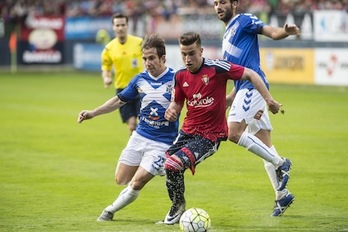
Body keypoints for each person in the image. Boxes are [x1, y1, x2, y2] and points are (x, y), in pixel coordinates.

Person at [161, 32, 283, 225]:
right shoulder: (180, 76)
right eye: (184, 54)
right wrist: (171, 111)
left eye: (192, 53)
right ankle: (178, 203)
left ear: (201, 51)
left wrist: (268, 100)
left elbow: (251, 74)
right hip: (187, 133)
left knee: (173, 165)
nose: (187, 59)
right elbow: (177, 103)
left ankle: (178, 206)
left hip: (210, 135)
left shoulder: (217, 68)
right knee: (167, 164)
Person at [78, 34, 179, 221]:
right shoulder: (139, 80)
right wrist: (93, 112)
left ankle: (109, 211)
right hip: (139, 137)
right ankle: (156, 167)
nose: (147, 63)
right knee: (121, 179)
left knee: (137, 181)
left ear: (163, 58)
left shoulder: (176, 78)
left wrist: (175, 110)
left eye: (152, 58)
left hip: (162, 143)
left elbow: (188, 102)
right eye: (145, 59)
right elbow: (118, 100)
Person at [213, 0, 301, 216]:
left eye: (222, 2)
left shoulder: (243, 20)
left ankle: (281, 163)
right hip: (245, 88)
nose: (218, 6)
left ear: (234, 4)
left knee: (233, 133)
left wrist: (285, 32)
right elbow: (238, 78)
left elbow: (271, 32)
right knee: (263, 144)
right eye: (215, 3)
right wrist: (228, 99)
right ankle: (282, 195)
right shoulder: (227, 34)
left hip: (254, 87)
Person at [101, 13, 144, 135]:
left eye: (123, 25)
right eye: (117, 25)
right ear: (113, 27)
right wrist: (106, 78)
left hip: (140, 88)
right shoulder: (109, 48)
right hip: (122, 89)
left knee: (143, 124)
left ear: (127, 26)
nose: (120, 28)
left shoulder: (139, 43)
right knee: (131, 125)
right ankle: (135, 151)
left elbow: (149, 60)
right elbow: (106, 67)